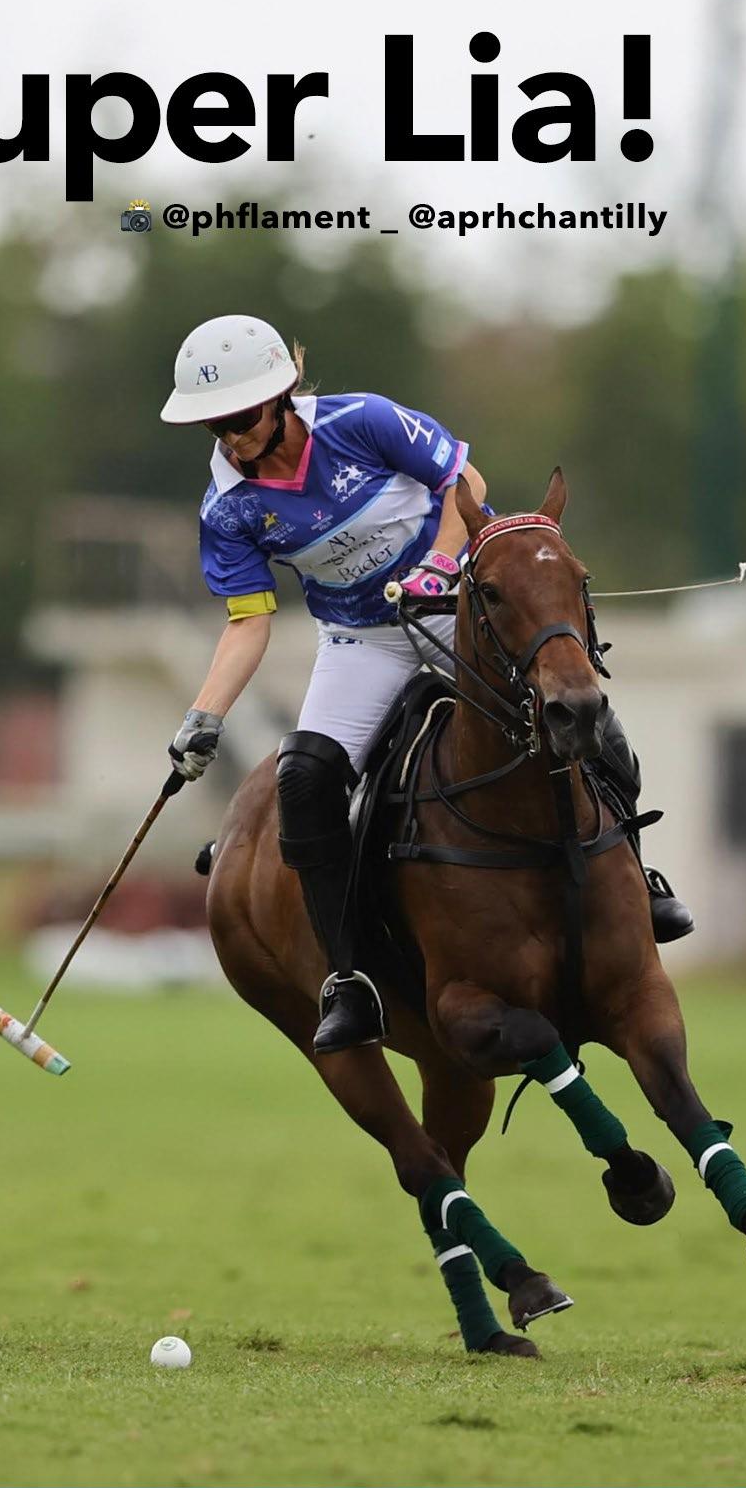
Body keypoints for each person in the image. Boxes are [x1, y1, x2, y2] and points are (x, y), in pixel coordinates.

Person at [160, 314, 692, 1054]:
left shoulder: (361, 421)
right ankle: (349, 978)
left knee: (588, 721)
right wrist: (204, 717)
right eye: (213, 424)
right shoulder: (227, 507)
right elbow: (248, 622)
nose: (230, 437)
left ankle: (638, 877)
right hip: (362, 640)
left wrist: (440, 563)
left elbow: (463, 482)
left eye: (241, 418)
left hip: (468, 606)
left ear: (281, 396)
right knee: (305, 779)